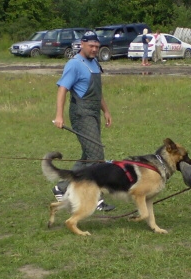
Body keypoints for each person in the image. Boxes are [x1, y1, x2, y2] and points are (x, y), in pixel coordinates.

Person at [51, 30, 115, 212]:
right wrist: (59, 115)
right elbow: (62, 89)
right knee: (96, 153)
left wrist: (106, 111)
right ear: (82, 44)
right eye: (91, 46)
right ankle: (95, 198)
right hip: (81, 113)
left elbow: (98, 93)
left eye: (97, 46)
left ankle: (62, 188)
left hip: (93, 112)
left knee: (89, 154)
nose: (95, 49)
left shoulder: (94, 62)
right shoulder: (74, 64)